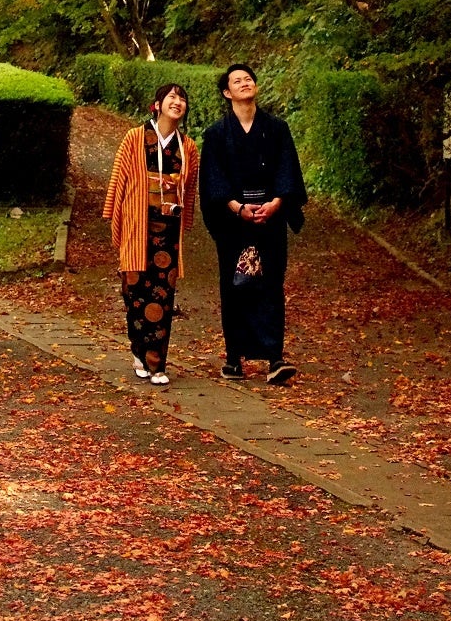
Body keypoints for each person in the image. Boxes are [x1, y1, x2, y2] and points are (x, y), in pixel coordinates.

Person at [199, 63, 307, 385]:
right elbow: (213, 180)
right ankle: (234, 358)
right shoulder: (216, 134)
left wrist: (276, 203)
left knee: (271, 283)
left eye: (248, 79)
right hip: (235, 220)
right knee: (235, 285)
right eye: (237, 81)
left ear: (256, 87)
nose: (244, 83)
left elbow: (287, 169)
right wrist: (237, 207)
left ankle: (275, 356)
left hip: (270, 218)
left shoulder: (276, 128)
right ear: (226, 92)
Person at [102, 82, 199, 387]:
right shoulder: (135, 137)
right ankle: (138, 349)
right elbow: (119, 177)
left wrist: (185, 222)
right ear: (156, 105)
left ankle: (156, 362)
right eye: (171, 96)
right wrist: (113, 214)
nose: (177, 101)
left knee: (162, 295)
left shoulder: (189, 146)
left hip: (167, 231)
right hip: (137, 223)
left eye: (182, 98)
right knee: (134, 292)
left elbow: (190, 188)